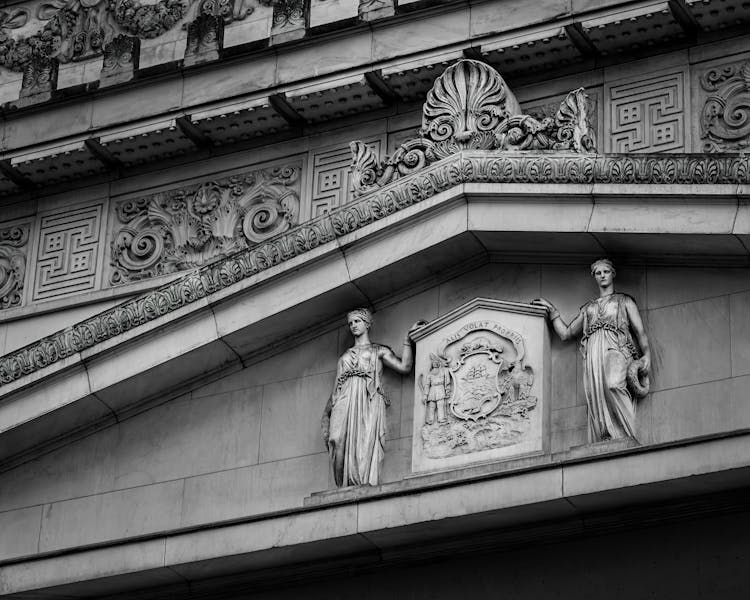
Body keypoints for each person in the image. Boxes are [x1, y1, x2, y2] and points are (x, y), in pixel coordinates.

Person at [533, 259, 651, 442]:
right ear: (594, 277)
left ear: (613, 274)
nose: (603, 275)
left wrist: (646, 355)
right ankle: (607, 435)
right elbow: (566, 333)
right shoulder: (589, 308)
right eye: (598, 273)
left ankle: (627, 434)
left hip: (616, 348)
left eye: (606, 272)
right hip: (594, 353)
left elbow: (640, 332)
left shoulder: (624, 301)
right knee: (596, 394)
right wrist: (552, 311)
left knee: (613, 385)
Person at [323, 308, 425, 487]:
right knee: (336, 439)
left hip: (367, 400)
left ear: (367, 324)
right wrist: (326, 415)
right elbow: (335, 390)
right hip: (344, 399)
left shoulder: (378, 350)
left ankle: (359, 482)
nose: (353, 325)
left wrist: (408, 341)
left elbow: (405, 367)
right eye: (351, 323)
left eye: (357, 321)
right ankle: (342, 486)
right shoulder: (344, 357)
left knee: (363, 444)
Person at [422, 355, 451, 425]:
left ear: (439, 363)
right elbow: (427, 385)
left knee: (440, 404)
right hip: (432, 390)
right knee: (432, 406)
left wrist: (447, 390)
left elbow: (447, 382)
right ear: (432, 364)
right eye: (433, 362)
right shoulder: (430, 374)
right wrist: (425, 395)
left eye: (436, 362)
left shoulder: (443, 371)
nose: (435, 363)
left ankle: (441, 418)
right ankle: (430, 420)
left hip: (440, 388)